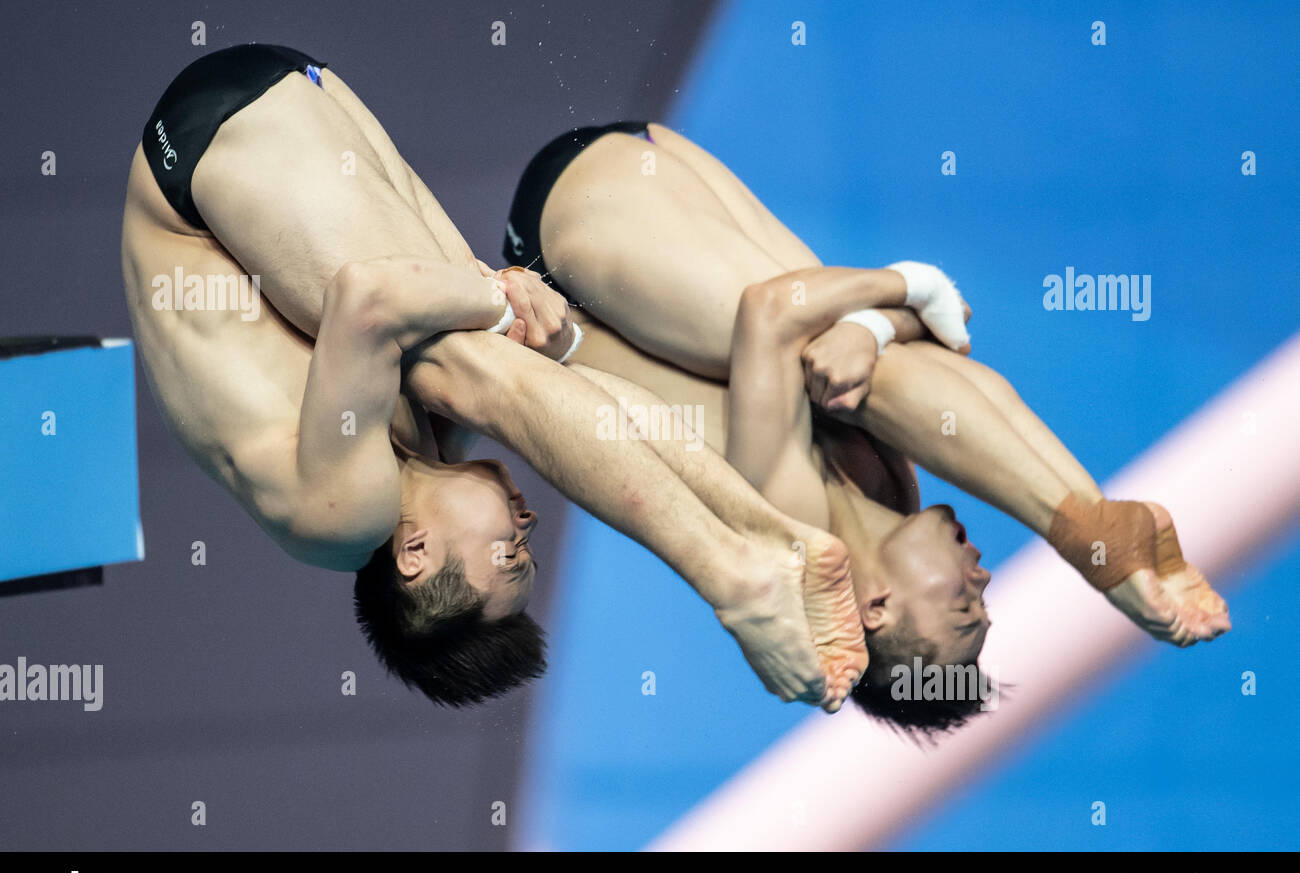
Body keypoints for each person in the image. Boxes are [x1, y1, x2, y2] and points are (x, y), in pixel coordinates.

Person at [123, 45, 866, 711]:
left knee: (469, 362)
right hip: (282, 103)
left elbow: (365, 301)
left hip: (197, 165)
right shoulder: (426, 446)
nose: (528, 524)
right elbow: (583, 399)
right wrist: (525, 312)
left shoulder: (343, 519)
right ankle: (777, 535)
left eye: (507, 553)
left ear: (414, 555)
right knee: (486, 365)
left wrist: (495, 295)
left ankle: (732, 575)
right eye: (529, 550)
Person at [502, 121, 1231, 734]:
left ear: (874, 606)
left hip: (566, 242)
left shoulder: (787, 526)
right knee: (870, 365)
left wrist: (900, 291)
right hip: (658, 169)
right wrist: (878, 325)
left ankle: (1093, 539)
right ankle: (1096, 520)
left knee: (834, 350)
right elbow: (943, 337)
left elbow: (772, 312)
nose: (982, 573)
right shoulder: (889, 487)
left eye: (963, 601)